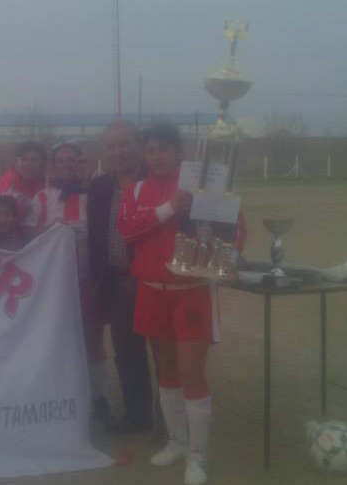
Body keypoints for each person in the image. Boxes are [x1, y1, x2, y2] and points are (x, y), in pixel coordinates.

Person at [118, 124, 244, 485]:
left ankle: (198, 456)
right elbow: (126, 230)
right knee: (167, 369)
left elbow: (235, 228)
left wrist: (229, 259)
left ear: (178, 151)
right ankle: (177, 441)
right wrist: (170, 208)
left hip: (191, 290)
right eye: (150, 150)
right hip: (151, 290)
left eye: (164, 149)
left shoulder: (203, 185)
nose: (156, 156)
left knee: (191, 372)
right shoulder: (137, 189)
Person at [25, 141, 108, 416]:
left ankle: (98, 397)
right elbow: (28, 237)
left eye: (72, 159)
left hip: (88, 279)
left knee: (92, 338)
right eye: (61, 160)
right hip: (53, 285)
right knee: (54, 339)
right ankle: (58, 396)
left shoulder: (94, 196)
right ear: (53, 166)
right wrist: (51, 231)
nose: (67, 164)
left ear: (80, 162)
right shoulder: (41, 198)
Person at [87, 120, 153, 434]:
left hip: (153, 280)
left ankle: (174, 423)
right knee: (127, 352)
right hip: (117, 281)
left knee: (166, 353)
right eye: (111, 146)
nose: (118, 151)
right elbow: (95, 237)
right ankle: (138, 417)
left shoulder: (156, 179)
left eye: (124, 143)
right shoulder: (99, 185)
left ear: (138, 143)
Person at [0, 140, 47, 209]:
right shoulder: (8, 184)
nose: (28, 164)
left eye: (34, 160)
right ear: (16, 162)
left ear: (42, 164)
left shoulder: (47, 186)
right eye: (24, 159)